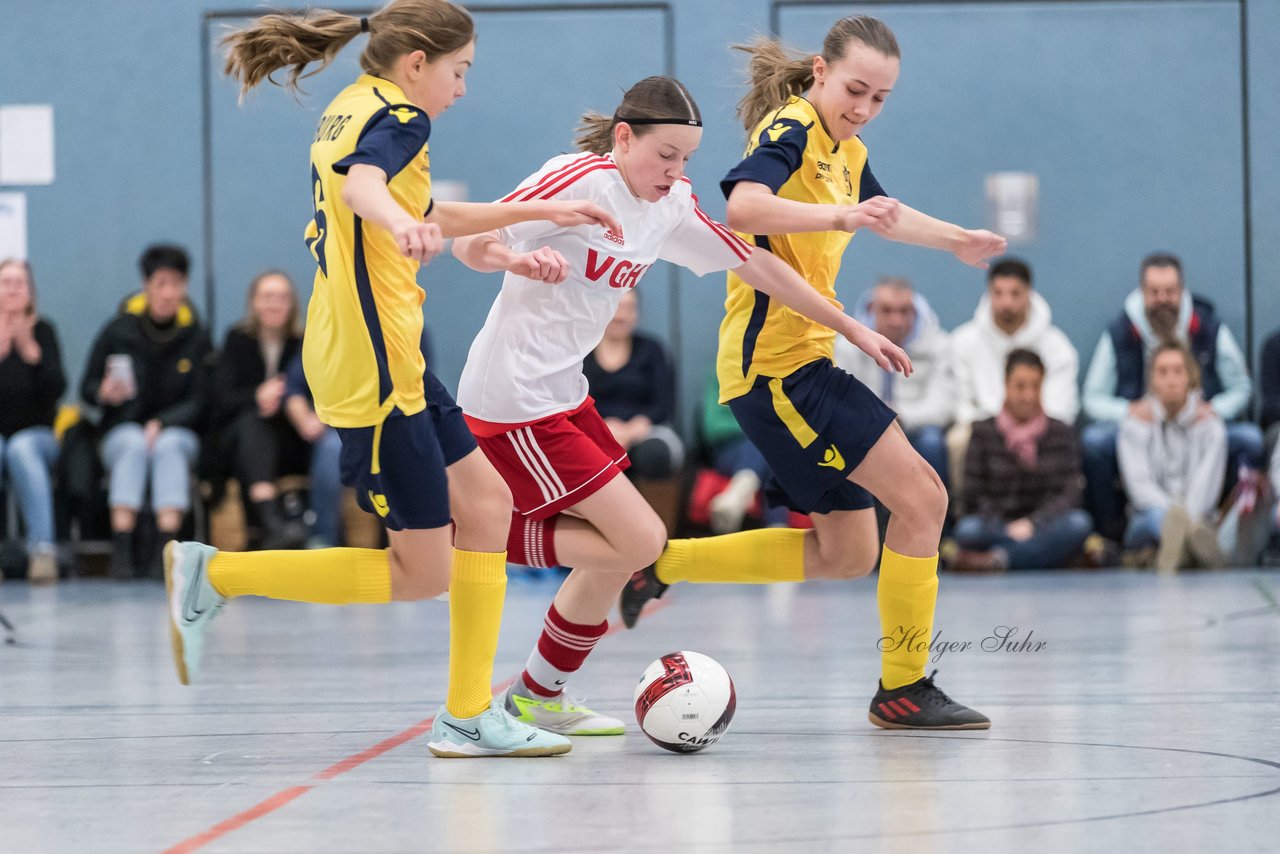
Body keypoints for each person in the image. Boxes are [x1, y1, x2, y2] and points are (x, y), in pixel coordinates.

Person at [163, 0, 625, 759]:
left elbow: (420, 205)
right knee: (420, 573)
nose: (463, 88)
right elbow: (362, 188)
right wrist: (396, 221)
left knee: (488, 502)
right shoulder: (404, 119)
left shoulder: (353, 104)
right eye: (460, 71)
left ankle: (470, 715)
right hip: (373, 369)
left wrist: (541, 209)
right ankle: (219, 575)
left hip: (392, 356)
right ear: (418, 64)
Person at [452, 75, 911, 736]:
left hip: (563, 395)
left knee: (620, 551)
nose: (676, 170)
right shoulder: (575, 180)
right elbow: (471, 240)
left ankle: (537, 696)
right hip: (513, 396)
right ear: (623, 138)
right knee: (636, 541)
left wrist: (851, 328)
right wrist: (515, 262)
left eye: (687, 158)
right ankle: (469, 538)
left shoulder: (670, 206)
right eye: (665, 154)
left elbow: (758, 267)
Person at [619, 16, 1005, 730]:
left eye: (880, 98)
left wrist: (957, 241)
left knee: (847, 552)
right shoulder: (791, 128)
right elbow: (740, 206)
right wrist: (839, 216)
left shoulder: (845, 148)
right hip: (776, 370)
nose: (863, 107)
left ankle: (663, 562)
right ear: (822, 72)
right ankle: (903, 686)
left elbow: (879, 214)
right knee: (922, 499)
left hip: (803, 362)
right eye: (855, 89)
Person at [1082, 252, 1260, 538]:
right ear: (1142, 294)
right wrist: (1129, 411)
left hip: (1196, 426)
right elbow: (1092, 398)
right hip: (1141, 432)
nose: (1162, 299)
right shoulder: (1120, 332)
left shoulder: (1209, 328)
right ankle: (1110, 538)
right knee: (1095, 442)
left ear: (1182, 292)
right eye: (1154, 292)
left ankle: (1224, 532)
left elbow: (1241, 387)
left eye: (1170, 291)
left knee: (1249, 440)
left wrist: (1215, 409)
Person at [82, 244, 212, 578]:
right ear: (146, 284)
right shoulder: (118, 330)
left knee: (169, 446)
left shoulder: (195, 336)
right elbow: (87, 388)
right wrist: (105, 393)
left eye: (176, 284)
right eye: (161, 283)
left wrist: (163, 422)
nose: (169, 293)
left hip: (178, 432)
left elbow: (202, 400)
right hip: (123, 429)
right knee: (133, 444)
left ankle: (166, 550)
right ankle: (122, 547)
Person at [952, 350, 1091, 571]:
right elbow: (973, 495)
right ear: (1006, 386)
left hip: (1045, 524)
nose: (1029, 396)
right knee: (968, 530)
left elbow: (1070, 493)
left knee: (1078, 524)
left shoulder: (1061, 432)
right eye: (1021, 386)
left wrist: (1033, 524)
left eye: (1036, 387)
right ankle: (1050, 555)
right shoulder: (983, 432)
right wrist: (1006, 527)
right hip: (996, 526)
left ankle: (999, 560)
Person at [947, 258, 1079, 492]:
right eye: (998, 293)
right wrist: (998, 431)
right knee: (959, 440)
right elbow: (961, 404)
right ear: (989, 293)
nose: (1006, 302)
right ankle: (964, 517)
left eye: (1015, 293)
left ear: (1028, 293)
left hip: (1040, 428)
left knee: (1060, 439)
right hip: (983, 431)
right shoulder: (964, 341)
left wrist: (1024, 429)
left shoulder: (1057, 347)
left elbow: (1061, 408)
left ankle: (1046, 515)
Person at [210, 270, 309, 549]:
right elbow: (221, 398)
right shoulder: (237, 339)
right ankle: (270, 520)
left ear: (292, 304)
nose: (274, 304)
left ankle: (272, 523)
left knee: (261, 428)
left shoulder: (304, 342)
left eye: (282, 297)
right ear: (253, 302)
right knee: (253, 425)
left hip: (291, 437)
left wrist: (287, 401)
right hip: (239, 438)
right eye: (267, 297)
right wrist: (258, 396)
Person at [1117, 342, 1226, 571]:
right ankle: (1188, 548)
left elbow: (1207, 488)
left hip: (1199, 515)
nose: (1171, 380)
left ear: (1190, 377)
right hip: (1150, 517)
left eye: (1178, 371)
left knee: (1200, 524)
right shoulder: (1133, 426)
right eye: (1163, 372)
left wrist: (1187, 517)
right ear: (1152, 380)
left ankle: (1176, 553)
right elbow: (1140, 490)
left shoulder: (1211, 427)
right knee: (1156, 519)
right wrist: (1174, 517)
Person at [835, 276, 953, 485]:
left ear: (915, 312)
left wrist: (900, 416)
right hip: (864, 427)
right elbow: (840, 402)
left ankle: (935, 515)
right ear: (872, 309)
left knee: (931, 442)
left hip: (914, 428)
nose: (896, 321)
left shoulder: (939, 345)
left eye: (904, 311)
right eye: (887, 310)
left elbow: (942, 406)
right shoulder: (847, 346)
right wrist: (877, 418)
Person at [0, 259, 65, 584]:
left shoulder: (44, 331)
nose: (12, 289)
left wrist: (31, 354)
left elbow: (58, 390)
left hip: (38, 436)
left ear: (30, 291)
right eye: (6, 282)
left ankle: (42, 550)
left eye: (19, 283)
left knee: (21, 449)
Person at [583, 290, 684, 480]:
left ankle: (653, 510)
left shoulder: (652, 350)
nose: (621, 316)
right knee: (577, 455)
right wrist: (602, 428)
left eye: (629, 308)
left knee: (655, 454)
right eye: (616, 307)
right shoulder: (581, 354)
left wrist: (634, 429)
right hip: (593, 432)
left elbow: (664, 405)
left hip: (646, 432)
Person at [700, 371, 791, 533]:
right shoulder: (721, 375)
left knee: (771, 450)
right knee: (764, 447)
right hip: (730, 449)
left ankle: (739, 492)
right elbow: (712, 427)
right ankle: (777, 526)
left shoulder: (780, 377)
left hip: (771, 449)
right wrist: (755, 427)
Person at [281, 352, 345, 548]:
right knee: (331, 448)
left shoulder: (403, 330)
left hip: (383, 423)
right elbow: (293, 389)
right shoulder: (328, 335)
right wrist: (305, 419)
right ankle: (323, 539)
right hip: (334, 433)